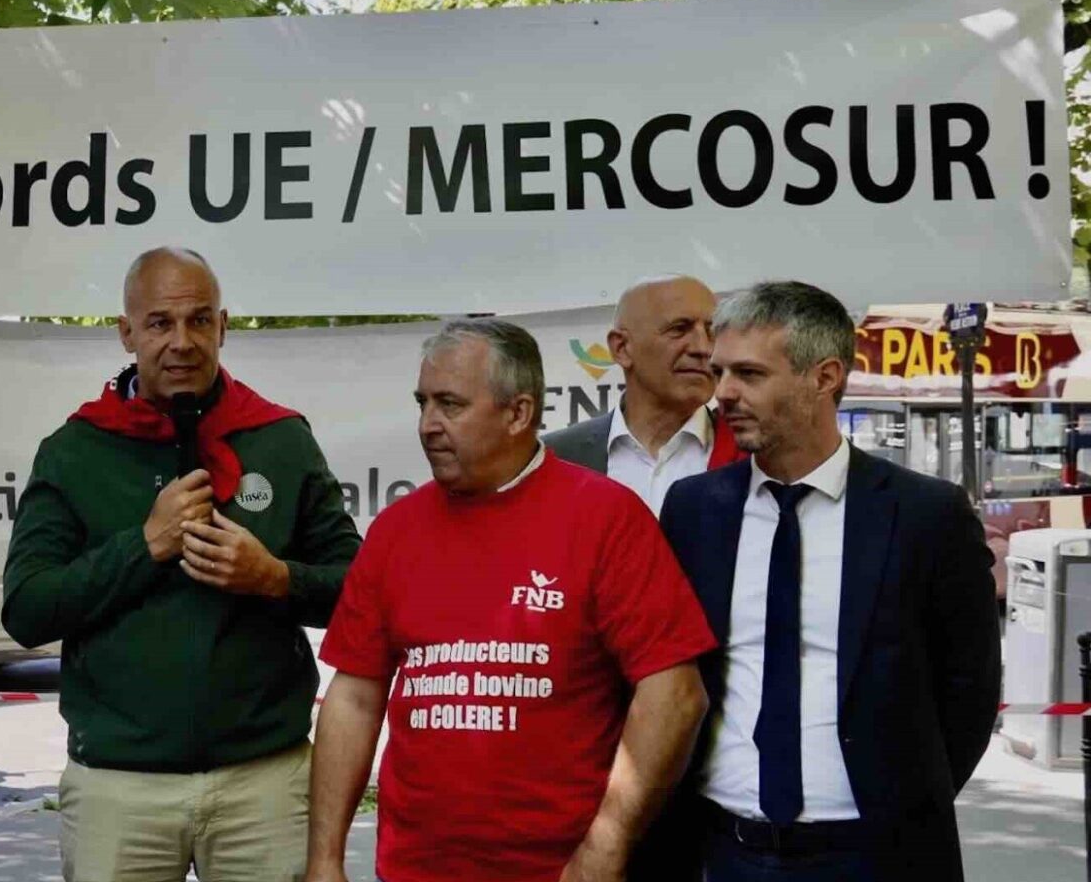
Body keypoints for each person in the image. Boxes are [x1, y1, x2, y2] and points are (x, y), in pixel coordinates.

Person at [307, 320, 716, 882]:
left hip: (559, 869)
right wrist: (325, 859)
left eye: (450, 404)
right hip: (411, 869)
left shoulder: (604, 518)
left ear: (519, 413)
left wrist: (606, 847)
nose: (428, 425)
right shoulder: (396, 530)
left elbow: (675, 695)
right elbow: (353, 697)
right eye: (422, 403)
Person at [4, 247, 362, 882]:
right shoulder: (73, 451)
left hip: (266, 782)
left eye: (200, 321)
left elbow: (359, 591)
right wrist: (144, 546)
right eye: (160, 323)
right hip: (119, 788)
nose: (183, 342)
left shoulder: (281, 438)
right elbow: (28, 609)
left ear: (223, 327)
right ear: (127, 333)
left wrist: (275, 579)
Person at [652, 282, 1001, 882]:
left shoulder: (925, 515)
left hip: (877, 856)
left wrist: (906, 802)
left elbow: (968, 689)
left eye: (750, 374)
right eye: (721, 373)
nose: (724, 394)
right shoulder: (693, 509)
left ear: (826, 377)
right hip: (724, 849)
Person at [544, 274, 741, 511]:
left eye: (712, 333)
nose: (703, 348)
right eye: (679, 329)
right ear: (622, 348)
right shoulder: (553, 457)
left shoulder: (754, 452)